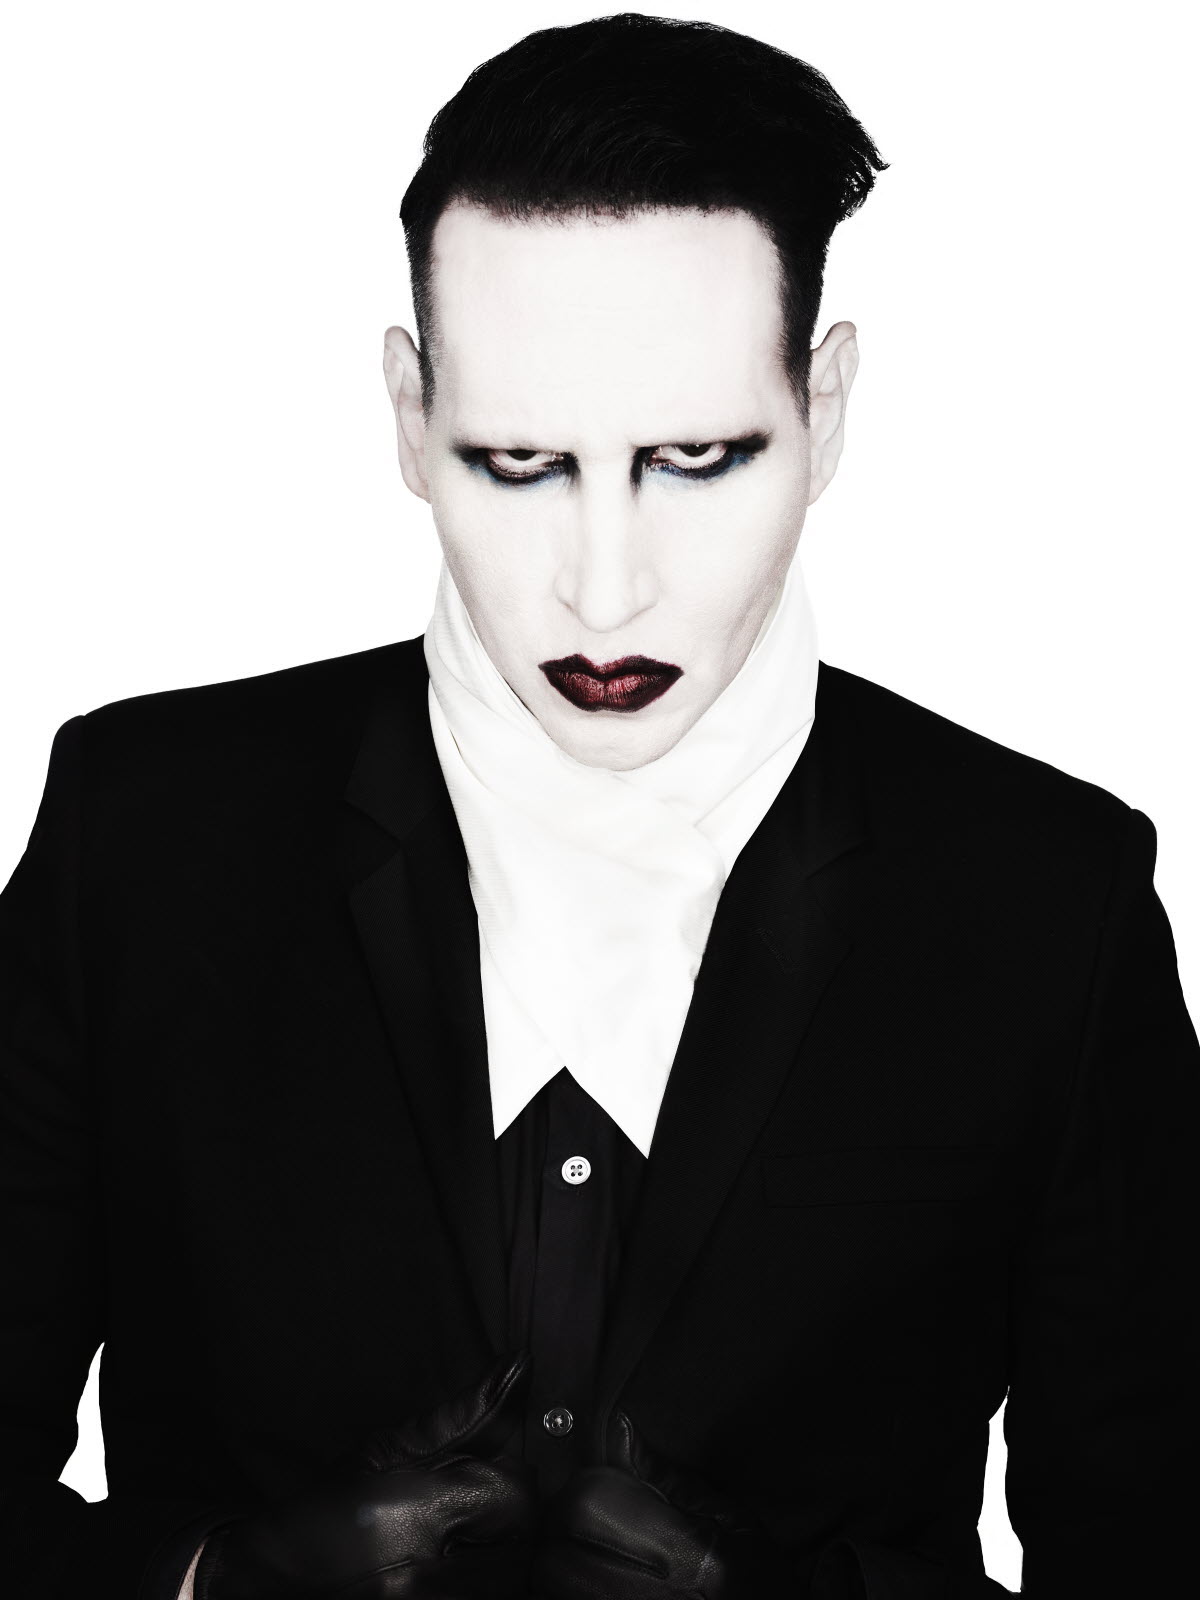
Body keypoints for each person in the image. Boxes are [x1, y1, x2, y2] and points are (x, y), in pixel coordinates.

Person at [1, 12, 1195, 1599]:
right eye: (518, 462)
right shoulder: (144, 840)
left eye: (695, 457)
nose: (607, 587)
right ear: (409, 417)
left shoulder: (1049, 900)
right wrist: (211, 1582)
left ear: (827, 408)